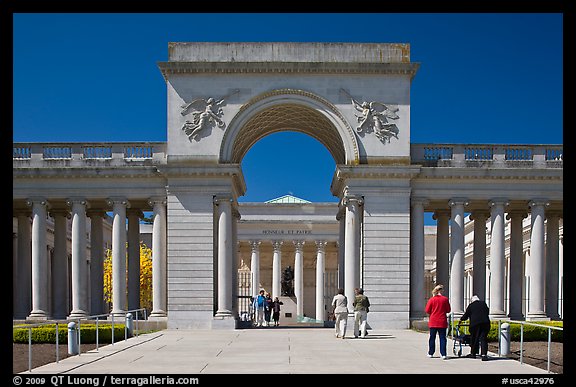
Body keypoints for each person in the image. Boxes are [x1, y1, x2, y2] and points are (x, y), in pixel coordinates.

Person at [459, 295, 491, 361]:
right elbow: (487, 312)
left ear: (472, 300)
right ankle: (484, 355)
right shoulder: (483, 304)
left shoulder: (471, 306)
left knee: (474, 338)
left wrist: (461, 319)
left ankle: (473, 353)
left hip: (475, 324)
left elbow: (466, 315)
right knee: (483, 338)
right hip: (485, 323)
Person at [425, 284, 451, 359]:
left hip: (433, 321)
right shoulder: (445, 299)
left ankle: (431, 353)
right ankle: (443, 354)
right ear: (441, 290)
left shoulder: (432, 299)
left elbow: (427, 310)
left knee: (432, 338)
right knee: (442, 338)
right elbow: (448, 310)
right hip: (442, 321)